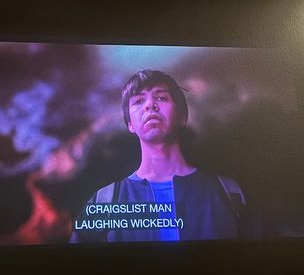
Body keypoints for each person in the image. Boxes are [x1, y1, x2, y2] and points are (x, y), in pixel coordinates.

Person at [70, 69, 248, 243]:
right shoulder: (105, 201)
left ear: (182, 117)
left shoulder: (228, 192)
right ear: (130, 124)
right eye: (139, 101)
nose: (150, 105)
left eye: (161, 97)